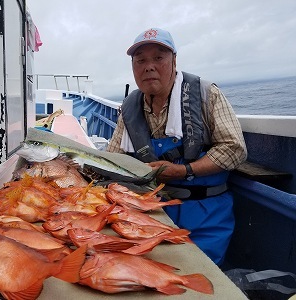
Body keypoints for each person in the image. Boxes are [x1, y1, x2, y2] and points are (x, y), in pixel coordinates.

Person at [106, 27, 247, 266]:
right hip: (150, 211)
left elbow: (234, 149)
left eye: (158, 58)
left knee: (202, 277)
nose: (148, 66)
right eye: (140, 61)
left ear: (174, 61)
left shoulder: (206, 94)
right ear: (133, 68)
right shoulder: (129, 108)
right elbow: (113, 158)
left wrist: (184, 171)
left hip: (205, 213)